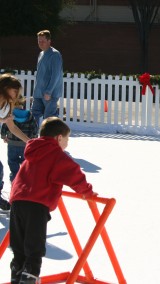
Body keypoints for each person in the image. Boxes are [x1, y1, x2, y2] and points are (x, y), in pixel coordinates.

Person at [8, 117, 97, 284]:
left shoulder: (33, 151)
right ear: (59, 138)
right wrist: (87, 192)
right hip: (37, 204)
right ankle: (29, 276)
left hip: (18, 201)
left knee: (19, 245)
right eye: (67, 139)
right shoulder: (55, 154)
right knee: (34, 246)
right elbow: (73, 174)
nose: (67, 144)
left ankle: (17, 272)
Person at [0, 74, 30, 211]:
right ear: (5, 88)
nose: (17, 94)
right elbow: (4, 121)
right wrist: (2, 120)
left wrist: (29, 141)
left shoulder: (8, 104)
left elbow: (12, 127)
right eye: (14, 91)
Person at [1, 94, 38, 183]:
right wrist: (33, 138)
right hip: (25, 144)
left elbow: (5, 127)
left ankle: (14, 177)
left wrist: (3, 136)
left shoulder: (10, 115)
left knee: (12, 161)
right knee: (25, 161)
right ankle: (25, 178)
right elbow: (34, 128)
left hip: (12, 143)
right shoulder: (29, 115)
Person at [31, 30, 63, 127]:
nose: (40, 43)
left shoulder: (55, 55)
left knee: (49, 119)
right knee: (33, 116)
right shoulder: (41, 54)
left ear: (49, 41)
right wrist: (36, 92)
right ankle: (33, 137)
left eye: (43, 41)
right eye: (39, 41)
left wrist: (48, 91)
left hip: (50, 94)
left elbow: (56, 75)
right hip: (38, 93)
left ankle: (49, 139)